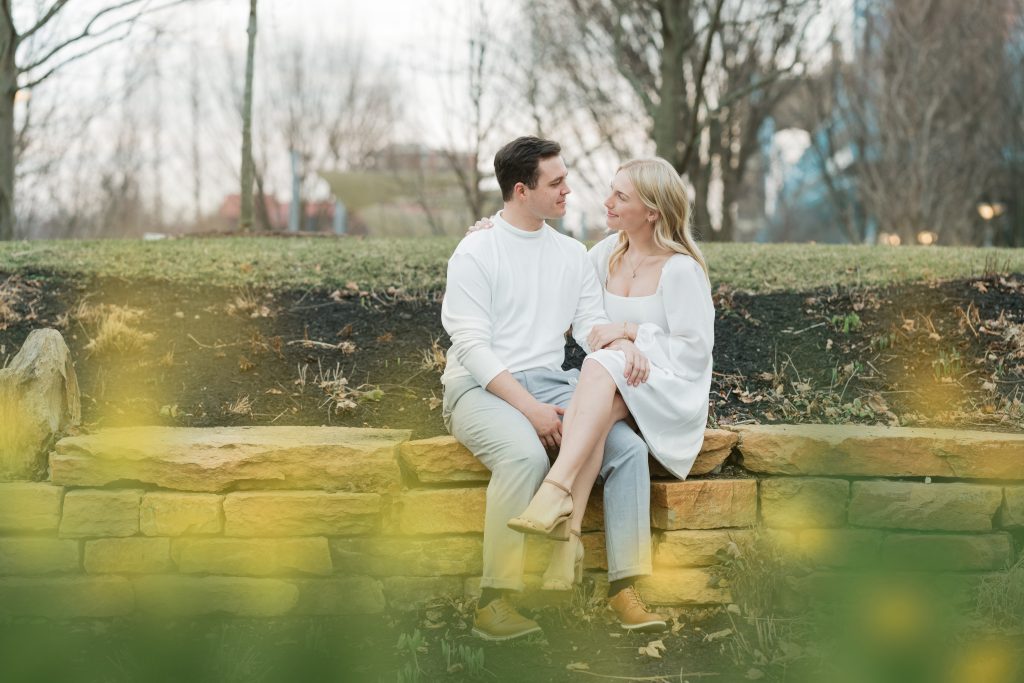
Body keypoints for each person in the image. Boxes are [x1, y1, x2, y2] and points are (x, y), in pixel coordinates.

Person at [441, 137, 664, 642]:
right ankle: (494, 601)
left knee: (627, 450)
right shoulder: (476, 250)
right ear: (522, 191)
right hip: (479, 386)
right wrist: (531, 411)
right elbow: (472, 347)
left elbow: (587, 324)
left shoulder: (571, 254)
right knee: (524, 457)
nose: (569, 190)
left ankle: (624, 588)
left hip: (552, 382)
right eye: (556, 182)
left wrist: (617, 337)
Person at [485, 157, 714, 616]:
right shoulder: (603, 255)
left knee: (601, 367)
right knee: (607, 407)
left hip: (671, 390)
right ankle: (571, 544)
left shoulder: (681, 270)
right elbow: (587, 324)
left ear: (652, 211)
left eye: (620, 196)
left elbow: (694, 351)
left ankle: (557, 490)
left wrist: (632, 334)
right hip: (616, 386)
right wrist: (491, 231)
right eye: (610, 192)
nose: (606, 202)